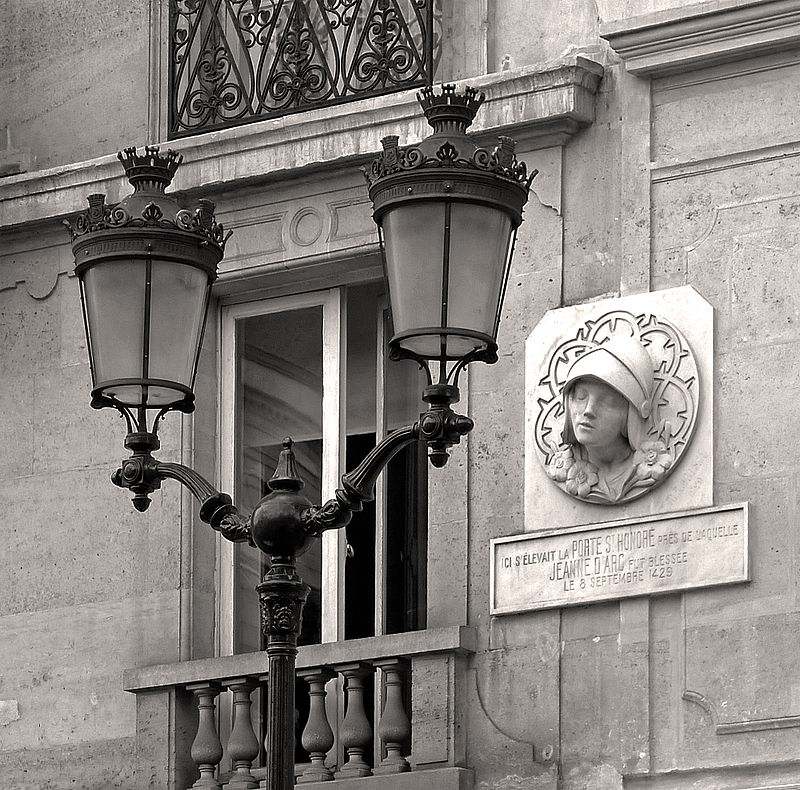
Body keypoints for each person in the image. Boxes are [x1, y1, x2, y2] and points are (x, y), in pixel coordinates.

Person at [546, 334, 670, 503]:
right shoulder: (566, 468)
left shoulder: (644, 469)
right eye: (581, 397)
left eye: (607, 402)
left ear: (630, 415)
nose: (588, 411)